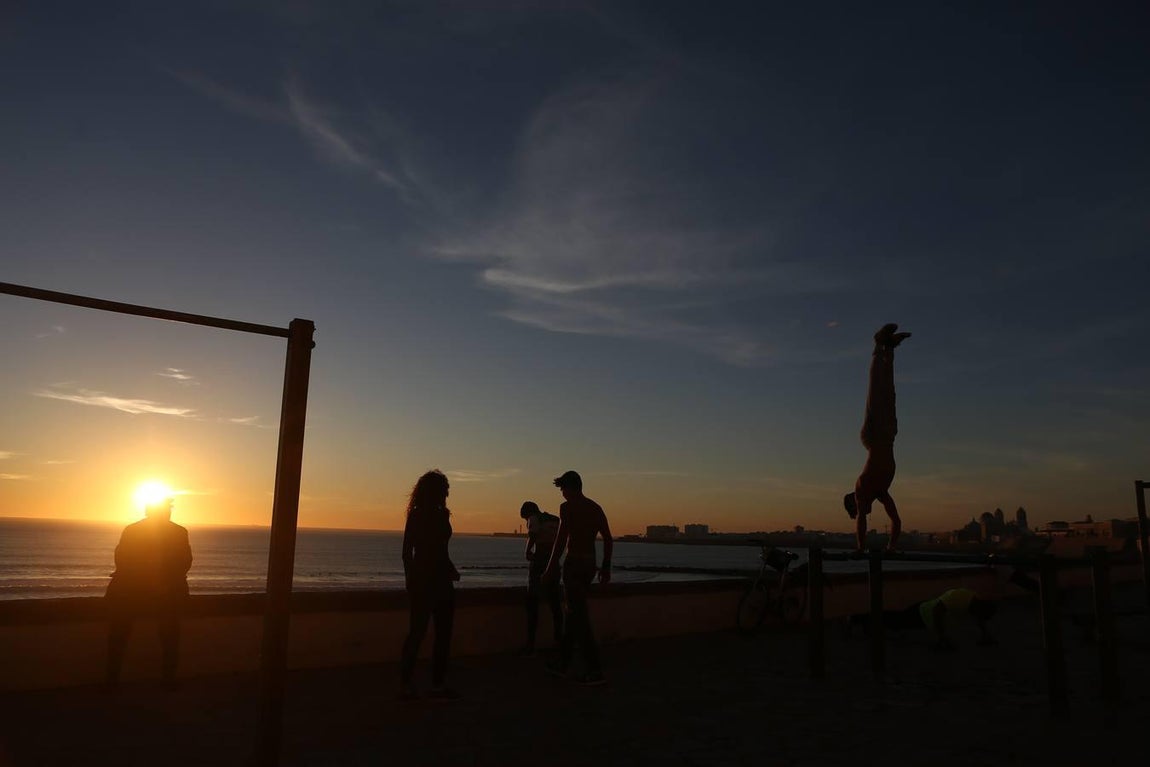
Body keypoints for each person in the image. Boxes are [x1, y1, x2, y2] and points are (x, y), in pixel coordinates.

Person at [104, 496, 193, 690]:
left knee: (119, 636)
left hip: (132, 592)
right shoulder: (178, 532)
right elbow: (184, 562)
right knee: (170, 637)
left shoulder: (132, 530)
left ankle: (112, 681)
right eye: (167, 510)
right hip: (164, 593)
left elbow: (122, 559)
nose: (169, 513)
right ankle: (168, 681)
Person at [844, 323, 911, 552]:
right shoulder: (881, 491)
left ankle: (877, 345)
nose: (861, 512)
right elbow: (897, 521)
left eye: (855, 509)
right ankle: (889, 348)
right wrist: (891, 546)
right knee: (888, 390)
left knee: (876, 389)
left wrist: (860, 547)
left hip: (873, 436)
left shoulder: (862, 488)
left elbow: (861, 522)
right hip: (889, 434)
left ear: (855, 501)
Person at [541, 470, 613, 686]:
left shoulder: (567, 508)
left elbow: (561, 540)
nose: (562, 493)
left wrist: (550, 568)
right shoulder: (595, 508)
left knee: (578, 616)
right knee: (573, 613)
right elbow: (608, 539)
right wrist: (606, 567)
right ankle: (563, 663)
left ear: (571, 488)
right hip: (589, 565)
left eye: (563, 488)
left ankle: (594, 669)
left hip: (573, 565)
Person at [399, 469, 461, 701]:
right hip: (423, 581)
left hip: (441, 581)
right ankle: (406, 682)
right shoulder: (416, 515)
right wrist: (410, 580)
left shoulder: (443, 514)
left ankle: (437, 683)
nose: (447, 492)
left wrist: (450, 568)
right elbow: (407, 552)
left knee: (443, 634)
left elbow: (442, 550)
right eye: (444, 488)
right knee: (418, 632)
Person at [844, 588, 998, 651]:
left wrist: (985, 635)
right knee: (894, 621)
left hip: (926, 617)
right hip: (923, 614)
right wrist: (942, 637)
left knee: (892, 620)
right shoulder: (961, 597)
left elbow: (980, 620)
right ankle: (856, 619)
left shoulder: (974, 604)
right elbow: (938, 612)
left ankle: (862, 621)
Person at [519, 501, 563, 656]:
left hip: (539, 562)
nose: (526, 522)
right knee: (555, 604)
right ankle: (559, 641)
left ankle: (530, 646)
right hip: (554, 563)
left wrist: (527, 551)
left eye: (525, 519)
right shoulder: (555, 520)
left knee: (532, 602)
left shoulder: (534, 518)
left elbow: (533, 535)